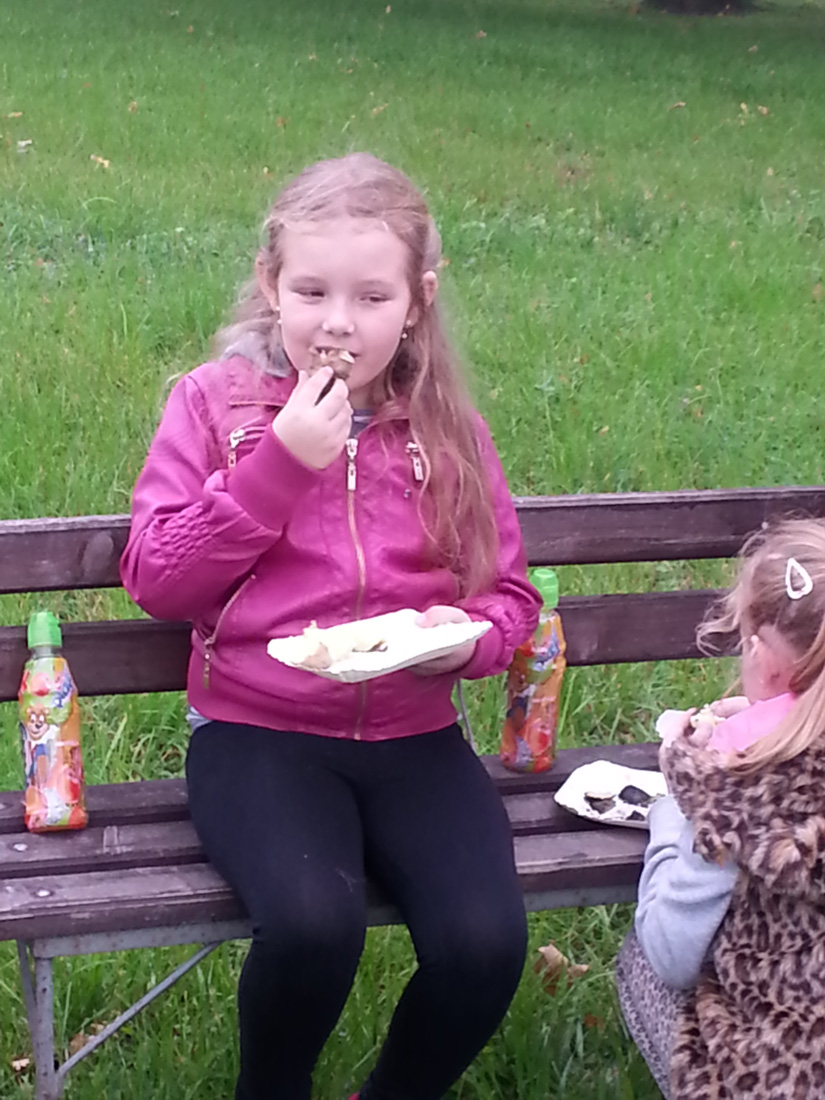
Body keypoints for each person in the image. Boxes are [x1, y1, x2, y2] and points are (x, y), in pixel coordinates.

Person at [120, 152, 541, 1100]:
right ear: (271, 285)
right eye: (311, 291)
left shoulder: (448, 430)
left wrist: (467, 640)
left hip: (413, 732)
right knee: (313, 927)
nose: (338, 322)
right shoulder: (215, 404)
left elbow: (508, 596)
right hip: (256, 731)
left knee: (483, 945)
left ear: (417, 300)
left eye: (371, 296)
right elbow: (156, 579)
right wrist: (277, 465)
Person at [616, 518, 825, 1099]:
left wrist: (679, 811)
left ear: (764, 657)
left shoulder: (741, 787)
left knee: (644, 955)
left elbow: (671, 953)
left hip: (782, 1073)